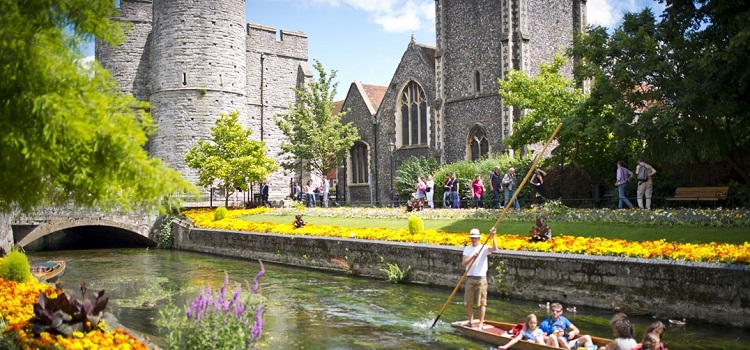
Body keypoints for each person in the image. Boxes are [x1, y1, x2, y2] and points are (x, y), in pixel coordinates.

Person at [462, 227, 498, 331]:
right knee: (468, 301)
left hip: (481, 279)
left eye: (476, 238)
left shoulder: (484, 248)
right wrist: (472, 257)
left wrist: (493, 236)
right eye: (472, 238)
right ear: (470, 238)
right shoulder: (467, 249)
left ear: (479, 238)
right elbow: (464, 263)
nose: (474, 240)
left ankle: (481, 324)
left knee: (482, 302)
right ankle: (471, 321)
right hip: (470, 278)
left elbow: (495, 248)